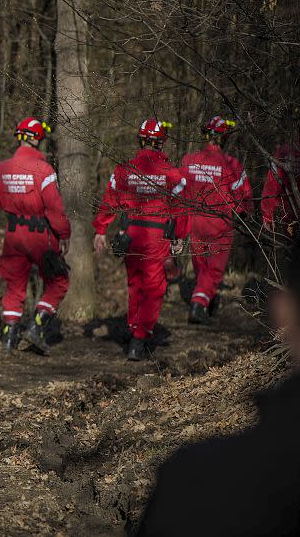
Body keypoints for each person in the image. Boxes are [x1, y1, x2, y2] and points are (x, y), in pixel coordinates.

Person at [136, 234, 300, 536]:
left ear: (284, 313)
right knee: (212, 267)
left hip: (159, 231)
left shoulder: (195, 482)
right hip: (208, 221)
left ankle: (146, 330)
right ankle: (197, 304)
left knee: (163, 277)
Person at [93, 118, 189, 361]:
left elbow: (110, 200)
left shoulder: (125, 169)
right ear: (161, 142)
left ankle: (135, 329)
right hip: (157, 236)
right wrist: (179, 235)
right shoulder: (172, 173)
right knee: (155, 288)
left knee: (135, 283)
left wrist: (101, 230)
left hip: (131, 234)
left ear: (140, 139)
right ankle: (140, 336)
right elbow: (181, 207)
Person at [0, 117, 71, 354]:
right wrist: (64, 233)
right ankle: (37, 327)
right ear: (38, 139)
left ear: (19, 137)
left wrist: (8, 196)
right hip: (41, 235)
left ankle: (9, 338)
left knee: (14, 284)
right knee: (59, 281)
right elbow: (54, 208)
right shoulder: (44, 170)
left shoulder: (1, 169)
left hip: (13, 234)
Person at [181, 116, 253, 323]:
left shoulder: (189, 160)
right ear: (224, 138)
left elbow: (180, 189)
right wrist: (244, 212)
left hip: (195, 220)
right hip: (219, 222)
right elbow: (244, 194)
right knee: (214, 268)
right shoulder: (231, 164)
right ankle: (198, 305)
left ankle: (205, 303)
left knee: (201, 266)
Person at [262, 135, 300, 235]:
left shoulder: (284, 151)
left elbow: (271, 186)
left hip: (289, 215)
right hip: (289, 215)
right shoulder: (284, 151)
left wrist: (268, 216)